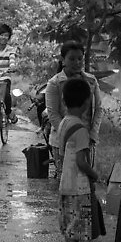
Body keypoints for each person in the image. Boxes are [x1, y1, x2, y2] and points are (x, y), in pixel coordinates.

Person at [58, 78, 101, 242]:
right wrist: (95, 175)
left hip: (65, 182)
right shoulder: (81, 129)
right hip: (78, 185)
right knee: (75, 226)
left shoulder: (64, 123)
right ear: (86, 103)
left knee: (69, 226)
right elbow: (82, 162)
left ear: (65, 102)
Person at [45, 40, 103, 175]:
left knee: (84, 180)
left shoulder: (91, 81)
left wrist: (93, 134)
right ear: (63, 60)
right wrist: (70, 135)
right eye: (72, 59)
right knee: (66, 179)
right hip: (62, 140)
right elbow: (53, 114)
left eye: (80, 59)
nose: (77, 63)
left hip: (87, 138)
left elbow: (99, 109)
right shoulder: (54, 83)